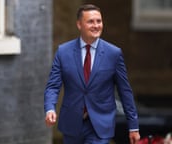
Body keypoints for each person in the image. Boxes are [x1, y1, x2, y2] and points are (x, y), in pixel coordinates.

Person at [44, 4, 140, 144]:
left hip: (101, 124)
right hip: (72, 123)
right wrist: (50, 108)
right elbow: (53, 86)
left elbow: (125, 91)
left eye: (99, 21)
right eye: (90, 21)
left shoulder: (113, 54)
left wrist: (133, 126)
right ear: (79, 24)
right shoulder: (63, 52)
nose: (96, 25)